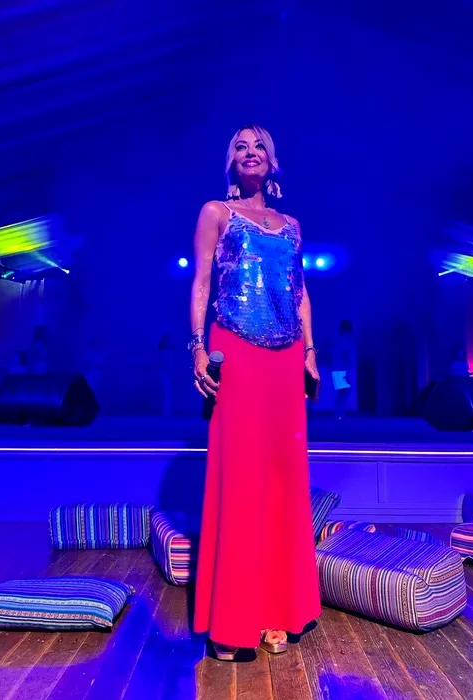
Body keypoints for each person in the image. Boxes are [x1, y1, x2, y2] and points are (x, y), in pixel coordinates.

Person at [189, 125, 321, 662]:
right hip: (237, 353)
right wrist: (197, 347)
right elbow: (201, 283)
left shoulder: (292, 226)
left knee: (282, 480)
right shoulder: (216, 213)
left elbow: (300, 291)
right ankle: (233, 619)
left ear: (272, 161)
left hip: (286, 360)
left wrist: (310, 352)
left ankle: (275, 612)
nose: (251, 152)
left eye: (259, 146)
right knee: (241, 478)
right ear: (231, 162)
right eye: (241, 147)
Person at [332, 319, 355, 418]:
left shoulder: (340, 338)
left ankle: (339, 412)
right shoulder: (343, 339)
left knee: (343, 390)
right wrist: (349, 362)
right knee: (344, 390)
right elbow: (344, 352)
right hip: (340, 368)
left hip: (338, 367)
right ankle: (338, 412)